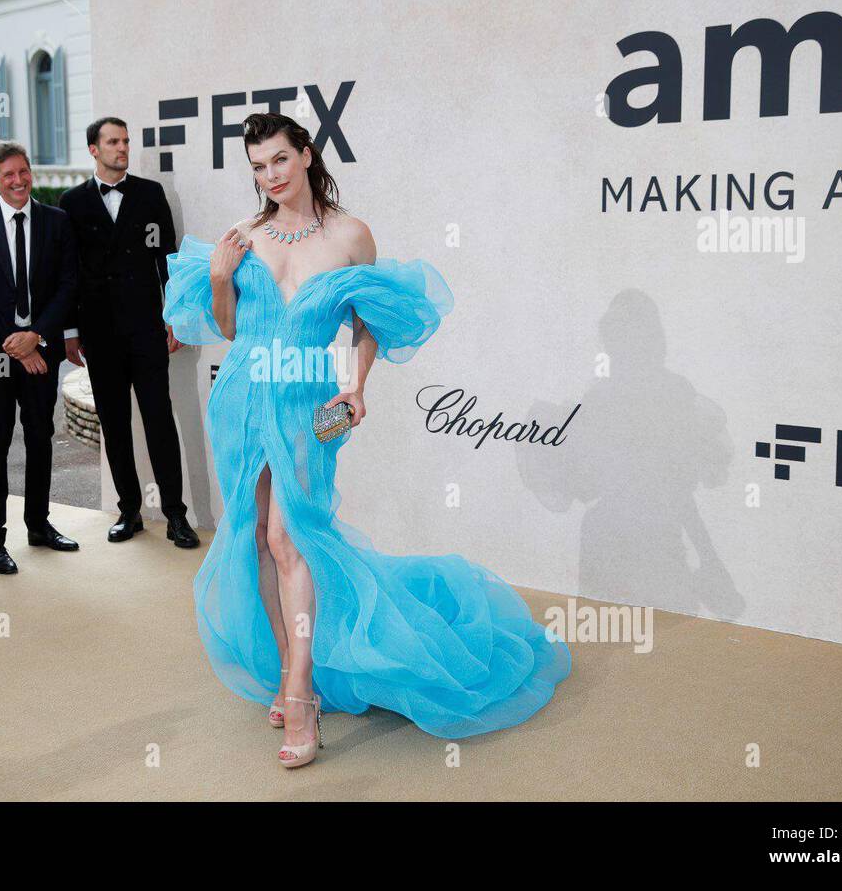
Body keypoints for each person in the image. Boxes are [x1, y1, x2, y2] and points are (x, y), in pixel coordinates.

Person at [163, 114, 571, 768]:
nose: (270, 176)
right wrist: (217, 274)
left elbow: (372, 319)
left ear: (305, 154)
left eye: (279, 160)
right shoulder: (243, 238)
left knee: (289, 536)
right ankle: (284, 668)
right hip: (242, 398)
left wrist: (356, 387)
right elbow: (229, 329)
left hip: (309, 405)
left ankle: (301, 692)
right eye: (258, 167)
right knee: (254, 536)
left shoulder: (351, 235)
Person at [58, 117, 199, 549]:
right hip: (98, 334)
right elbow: (67, 272)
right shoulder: (71, 202)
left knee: (159, 420)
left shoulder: (151, 194)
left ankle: (176, 515)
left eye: (125, 141)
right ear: (93, 150)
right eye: (113, 142)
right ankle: (129, 511)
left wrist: (173, 317)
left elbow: (167, 262)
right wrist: (70, 330)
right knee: (115, 426)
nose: (122, 148)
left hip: (146, 328)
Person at [0, 141, 79, 574]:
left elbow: (68, 285)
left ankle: (38, 524)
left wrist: (37, 336)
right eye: (8, 174)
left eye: (23, 171)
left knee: (40, 437)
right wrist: (15, 342)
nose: (18, 180)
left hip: (41, 350)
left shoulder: (56, 221)